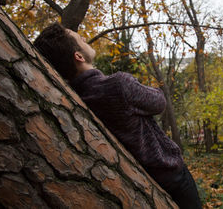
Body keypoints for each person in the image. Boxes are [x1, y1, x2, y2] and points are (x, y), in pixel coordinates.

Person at [33, 23, 202, 209]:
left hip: (137, 181)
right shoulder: (119, 85)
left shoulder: (75, 99)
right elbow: (159, 102)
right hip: (171, 175)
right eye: (79, 38)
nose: (84, 38)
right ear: (79, 56)